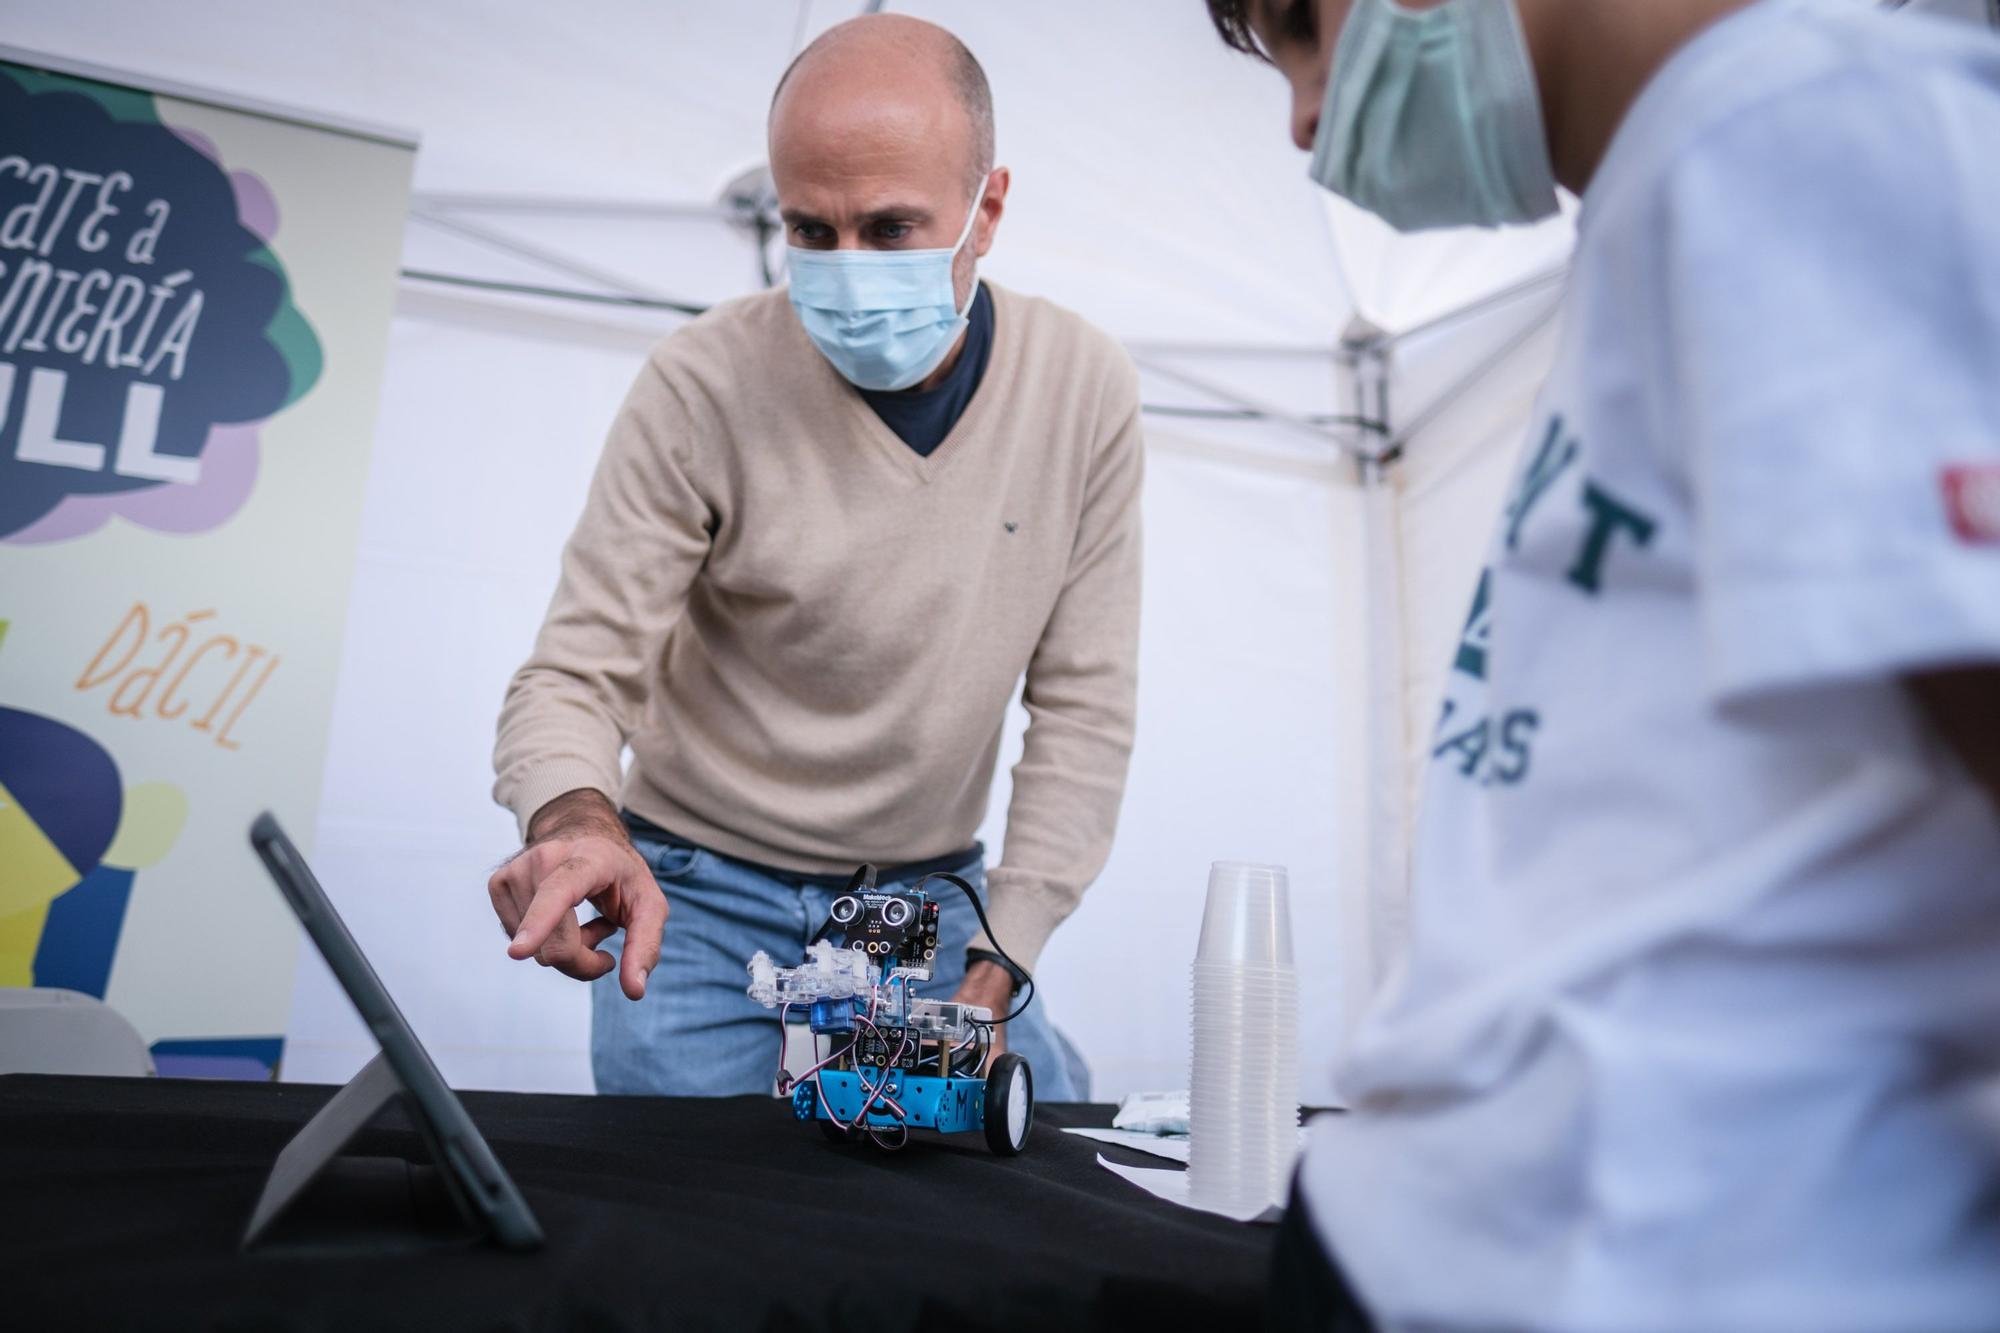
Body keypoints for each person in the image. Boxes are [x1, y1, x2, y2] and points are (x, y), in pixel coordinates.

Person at [1204, 0, 2000, 1328]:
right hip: (1488, 1233)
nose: (1303, 110)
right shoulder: (1686, 176)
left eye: (1301, 20)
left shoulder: (1802, 121)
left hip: (1646, 1262)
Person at [486, 14, 1145, 1102]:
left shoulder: (1081, 390)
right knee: (708, 1228)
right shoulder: (701, 382)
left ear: (987, 208)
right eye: (809, 230)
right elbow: (572, 674)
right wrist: (573, 824)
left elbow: (1084, 704)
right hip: (692, 906)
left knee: (1022, 1184)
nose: (845, 270)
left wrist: (1001, 956)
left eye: (889, 230)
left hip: (925, 908)